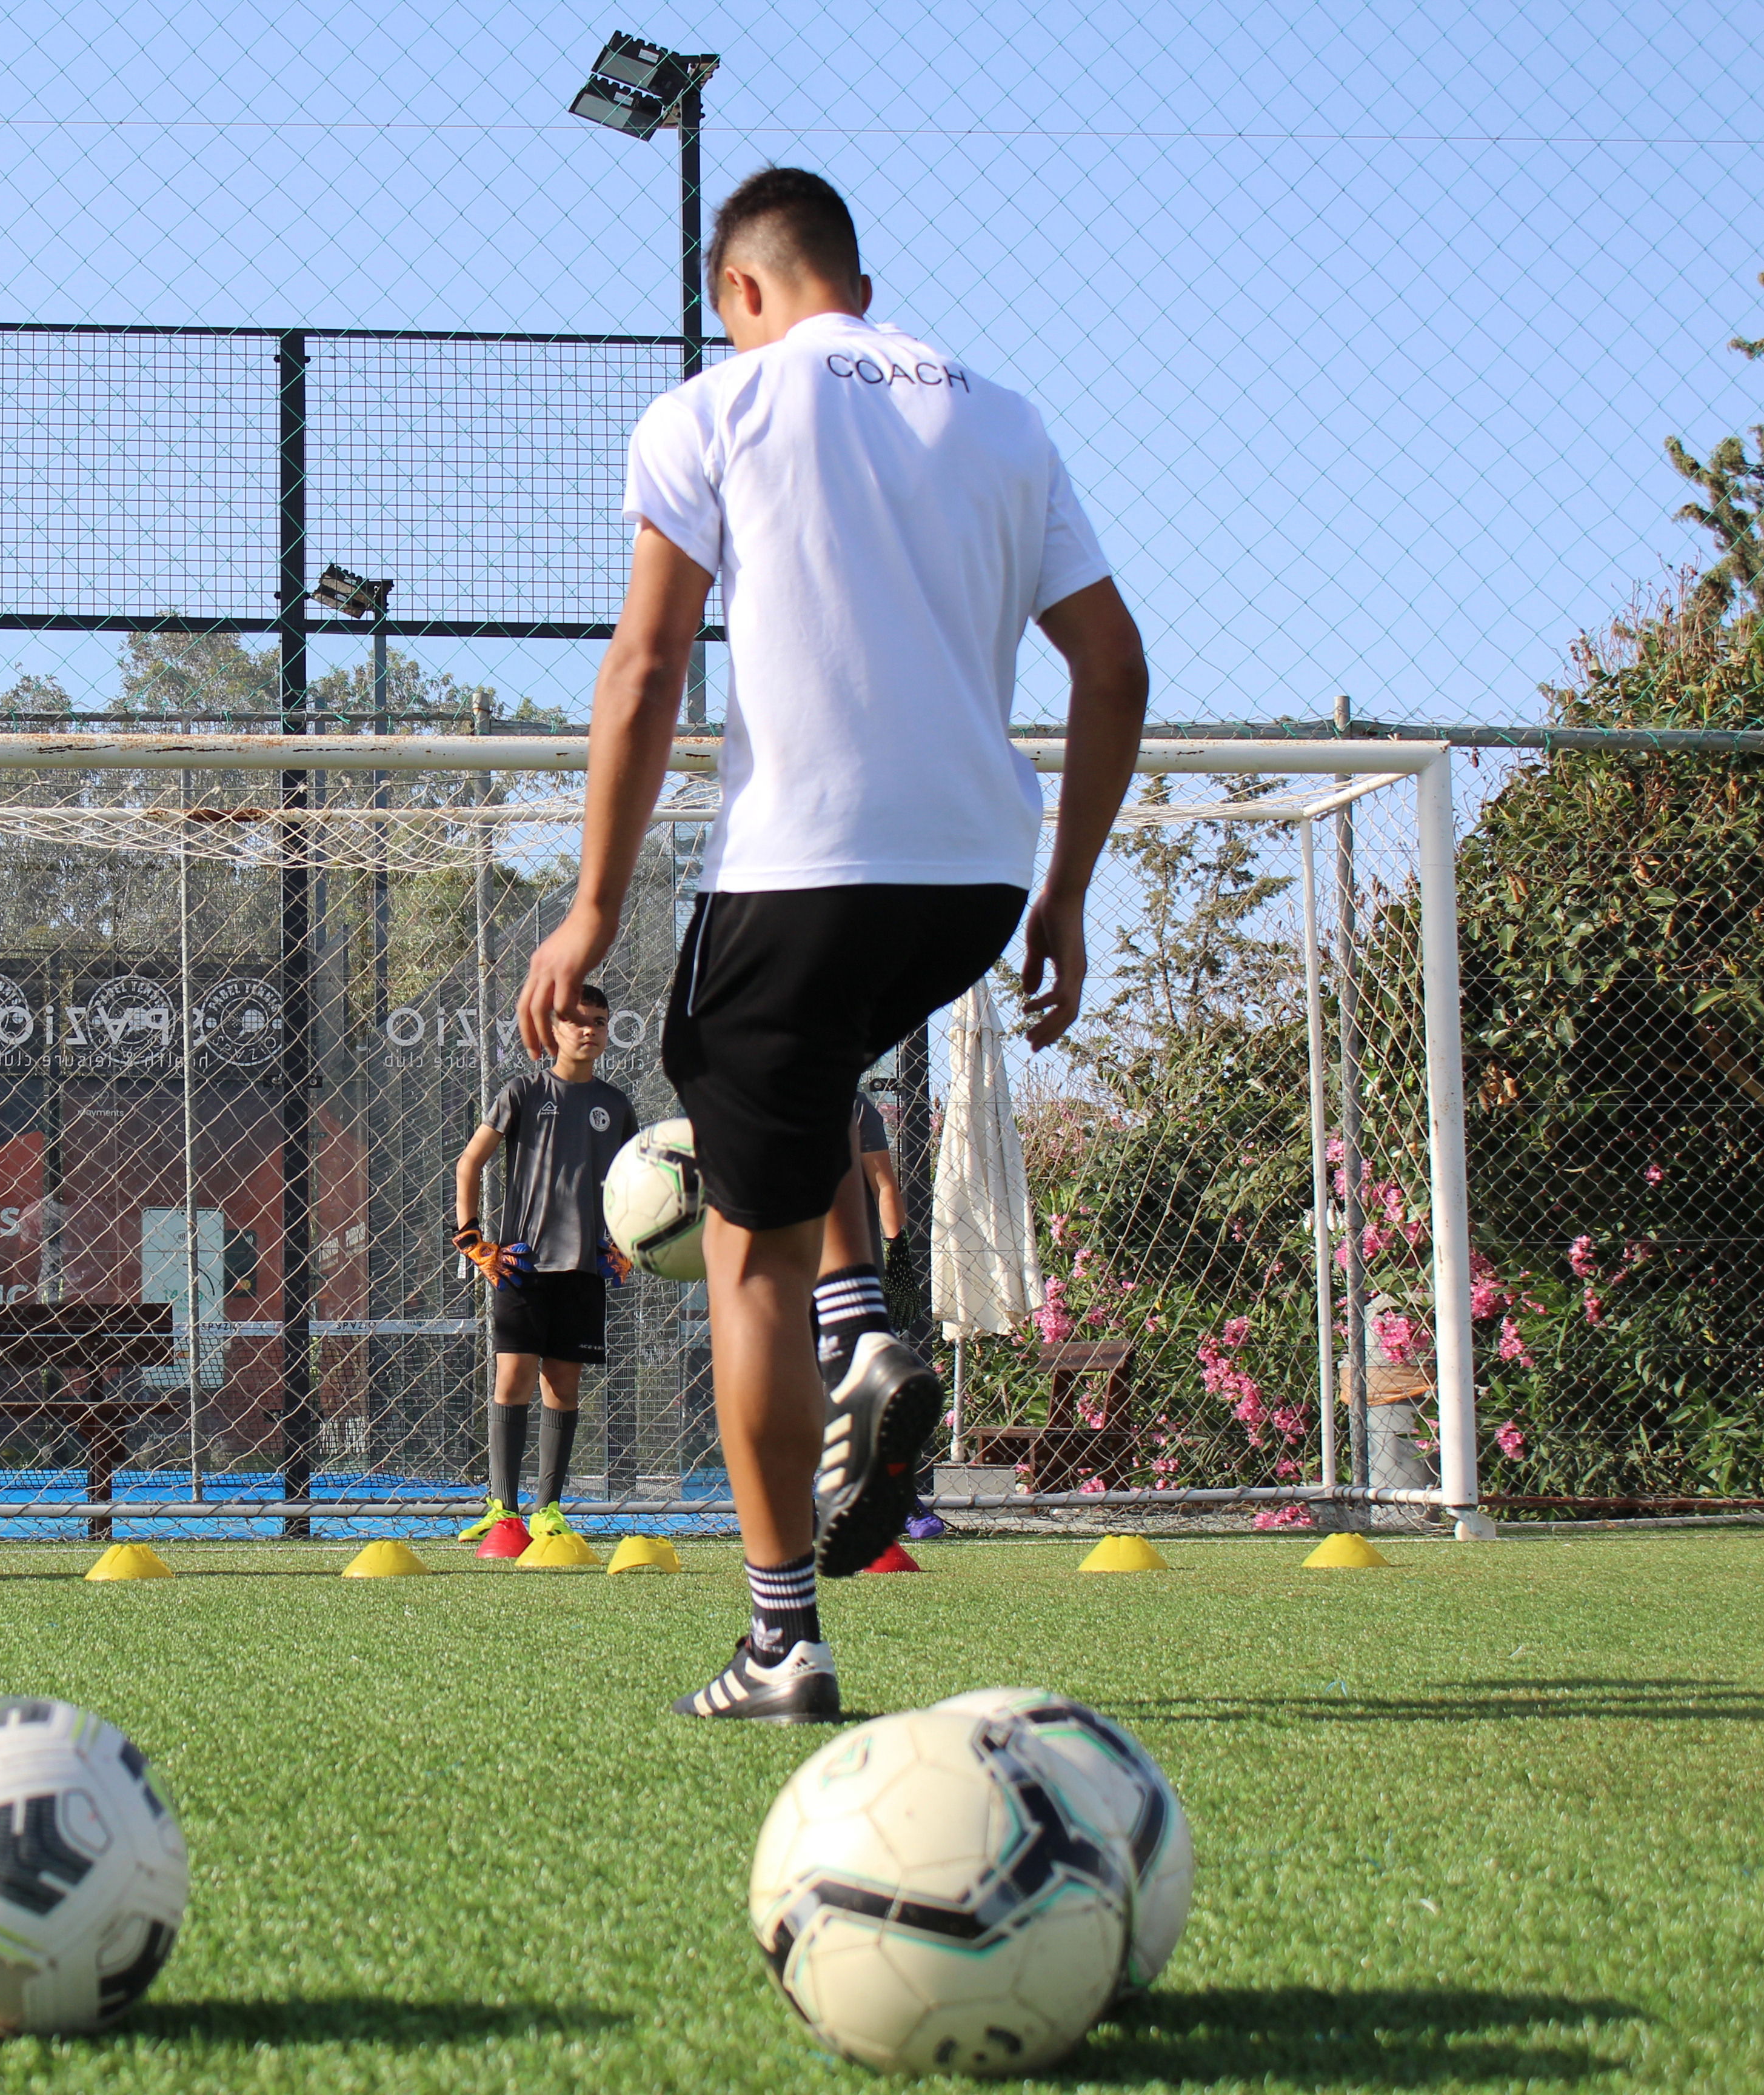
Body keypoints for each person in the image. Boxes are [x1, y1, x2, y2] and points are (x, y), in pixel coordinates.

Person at [517, 167, 1147, 1722]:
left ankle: (781, 1638)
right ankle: (864, 1327)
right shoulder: (1002, 416)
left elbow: (649, 663)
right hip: (970, 884)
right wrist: (1062, 888)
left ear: (739, 292)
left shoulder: (709, 410)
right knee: (800, 1080)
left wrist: (590, 903)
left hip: (801, 874)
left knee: (746, 1250)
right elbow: (1112, 663)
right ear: (851, 281)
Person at [449, 984, 638, 1542]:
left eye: (599, 1021)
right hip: (522, 1266)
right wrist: (473, 1239)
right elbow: (469, 1164)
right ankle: (502, 1509)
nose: (589, 1030)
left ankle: (548, 1510)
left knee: (564, 1383)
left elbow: (636, 1182)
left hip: (585, 1268)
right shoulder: (523, 1092)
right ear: (552, 1030)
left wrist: (628, 1242)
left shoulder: (616, 1104)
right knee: (513, 1378)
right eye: (578, 1021)